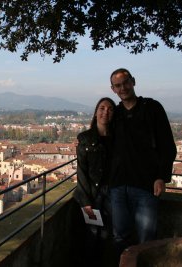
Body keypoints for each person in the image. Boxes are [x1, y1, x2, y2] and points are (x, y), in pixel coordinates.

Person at [109, 68, 177, 262]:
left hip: (147, 185)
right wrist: (83, 141)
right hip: (118, 186)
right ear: (113, 89)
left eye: (126, 83)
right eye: (118, 85)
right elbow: (102, 138)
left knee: (147, 240)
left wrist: (162, 177)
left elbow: (167, 145)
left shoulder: (152, 108)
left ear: (133, 82)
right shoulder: (115, 113)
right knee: (120, 237)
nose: (123, 88)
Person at [73, 97, 116, 267]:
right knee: (91, 234)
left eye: (110, 109)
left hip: (112, 194)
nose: (105, 112)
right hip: (91, 195)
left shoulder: (118, 139)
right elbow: (81, 171)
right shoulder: (84, 138)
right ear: (96, 112)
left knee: (108, 234)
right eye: (102, 108)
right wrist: (85, 202)